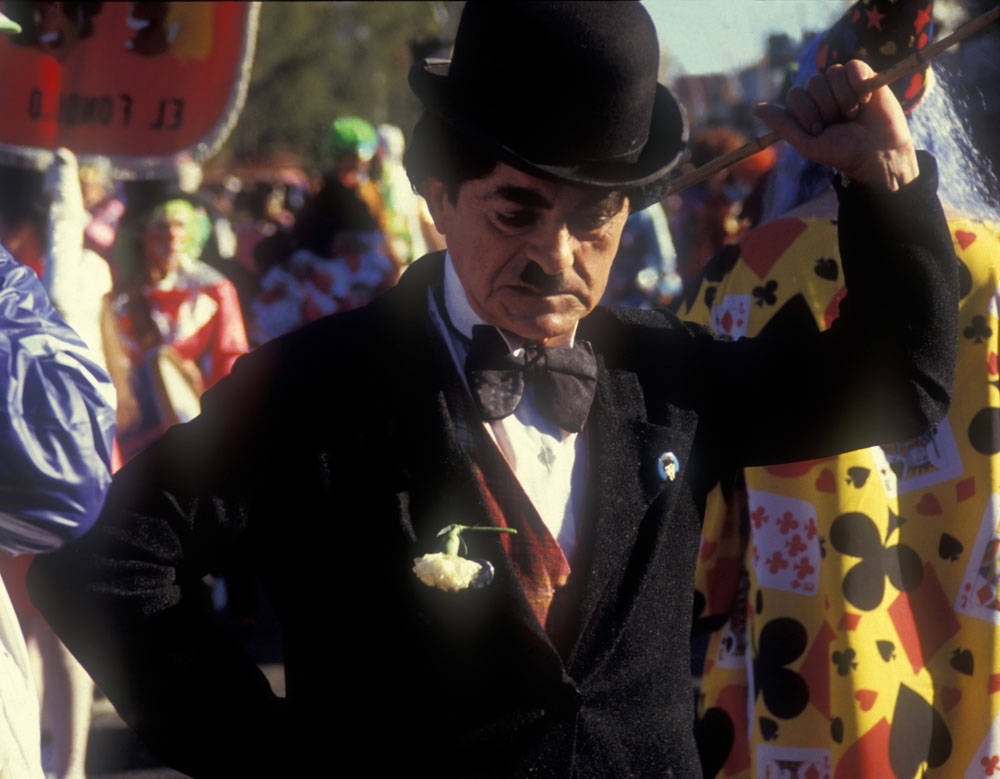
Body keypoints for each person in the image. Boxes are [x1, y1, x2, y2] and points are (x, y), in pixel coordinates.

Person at [27, 3, 957, 777]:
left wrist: (886, 185)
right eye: (517, 210)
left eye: (594, 216)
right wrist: (269, 754)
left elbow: (900, 388)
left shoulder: (667, 372)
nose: (556, 256)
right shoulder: (317, 386)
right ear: (439, 197)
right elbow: (105, 565)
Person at [682, 2, 1000, 776]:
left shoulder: (740, 272)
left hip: (796, 648)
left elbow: (700, 526)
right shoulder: (991, 263)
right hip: (977, 629)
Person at [109, 196, 249, 460]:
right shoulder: (119, 297)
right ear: (140, 234)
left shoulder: (213, 289)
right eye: (161, 226)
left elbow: (230, 358)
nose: (172, 235)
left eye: (180, 225)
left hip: (197, 426)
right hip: (135, 436)